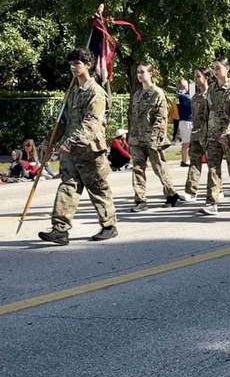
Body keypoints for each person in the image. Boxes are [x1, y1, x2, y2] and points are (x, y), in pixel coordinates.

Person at [38, 47, 117, 244]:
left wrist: (71, 142)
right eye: (71, 64)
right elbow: (63, 121)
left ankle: (109, 225)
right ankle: (60, 229)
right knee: (68, 187)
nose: (73, 67)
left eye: (78, 63)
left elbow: (92, 122)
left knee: (97, 187)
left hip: (89, 149)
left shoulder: (96, 92)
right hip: (70, 150)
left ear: (88, 65)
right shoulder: (72, 92)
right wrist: (50, 142)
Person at [198, 56, 230, 216]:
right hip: (213, 136)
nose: (215, 71)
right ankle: (212, 202)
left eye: (218, 68)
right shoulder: (211, 89)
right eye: (213, 68)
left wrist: (227, 133)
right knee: (213, 169)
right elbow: (207, 112)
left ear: (227, 69)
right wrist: (204, 133)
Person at [128, 62, 182, 212]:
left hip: (152, 139)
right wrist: (131, 135)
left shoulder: (158, 93)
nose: (140, 75)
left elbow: (161, 119)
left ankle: (171, 194)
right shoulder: (137, 94)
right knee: (138, 169)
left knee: (159, 167)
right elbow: (133, 117)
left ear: (151, 74)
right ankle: (140, 200)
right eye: (138, 72)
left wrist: (155, 138)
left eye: (143, 72)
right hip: (137, 138)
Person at [184, 68, 210, 202]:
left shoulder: (211, 95)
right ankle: (191, 190)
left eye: (198, 76)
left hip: (209, 134)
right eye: (195, 76)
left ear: (206, 77)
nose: (196, 79)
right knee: (194, 162)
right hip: (196, 134)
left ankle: (217, 190)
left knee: (213, 164)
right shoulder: (194, 97)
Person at [177, 79, 192, 166]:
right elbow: (191, 103)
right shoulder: (182, 96)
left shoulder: (183, 96)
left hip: (186, 121)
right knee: (186, 143)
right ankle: (184, 161)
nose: (186, 87)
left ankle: (186, 159)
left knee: (188, 143)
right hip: (186, 121)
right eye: (185, 86)